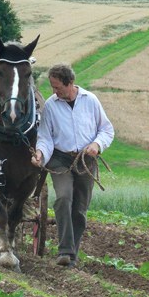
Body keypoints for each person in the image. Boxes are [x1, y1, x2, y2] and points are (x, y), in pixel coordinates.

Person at [31, 63, 114, 268]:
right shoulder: (51, 105)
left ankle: (72, 255)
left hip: (86, 161)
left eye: (57, 87)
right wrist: (40, 154)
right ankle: (65, 250)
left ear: (70, 84)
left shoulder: (90, 100)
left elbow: (106, 129)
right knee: (63, 198)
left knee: (79, 208)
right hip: (60, 159)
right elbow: (45, 137)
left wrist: (97, 144)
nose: (54, 91)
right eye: (52, 87)